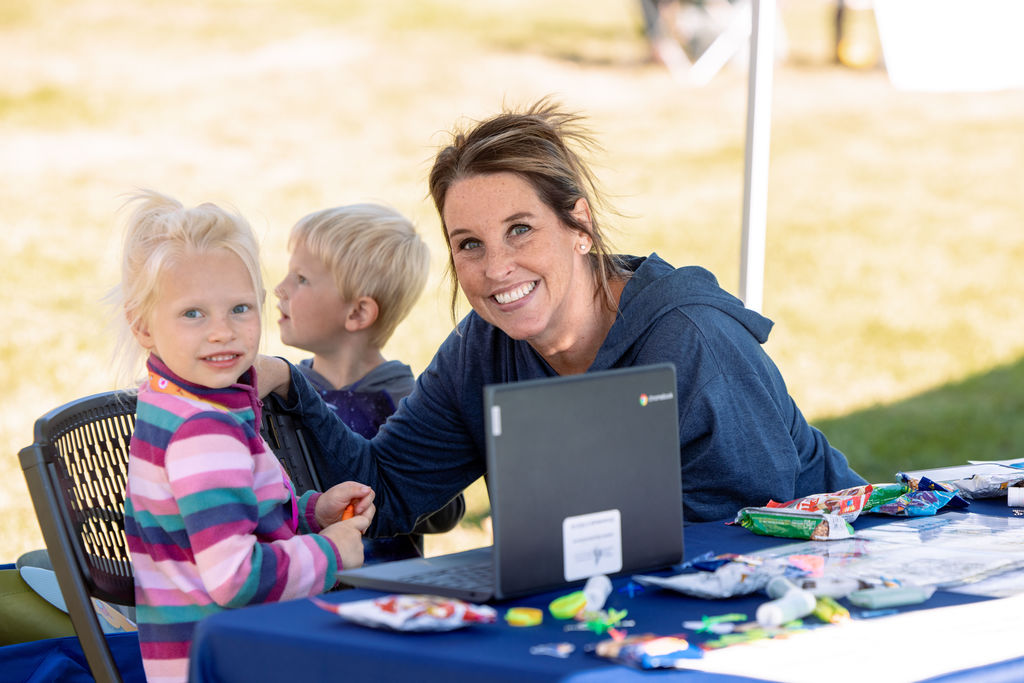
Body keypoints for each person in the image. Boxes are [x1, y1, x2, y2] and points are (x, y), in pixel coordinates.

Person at [258, 98, 866, 538]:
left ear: (579, 225)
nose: (496, 268)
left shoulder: (691, 337)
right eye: (469, 244)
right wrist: (290, 387)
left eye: (519, 230)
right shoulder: (483, 348)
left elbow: (756, 530)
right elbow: (386, 493)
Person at [114, 190, 375, 683]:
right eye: (193, 314)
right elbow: (235, 578)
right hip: (230, 662)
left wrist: (311, 513)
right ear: (142, 327)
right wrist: (333, 551)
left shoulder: (174, 401)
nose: (222, 332)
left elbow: (232, 516)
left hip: (201, 656)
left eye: (239, 308)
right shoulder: (204, 430)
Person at [274, 204, 464, 561]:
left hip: (389, 596)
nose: (280, 289)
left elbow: (447, 512)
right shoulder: (283, 396)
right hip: (300, 589)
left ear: (358, 312)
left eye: (301, 279)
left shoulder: (409, 401)